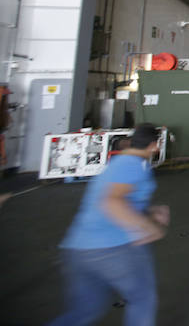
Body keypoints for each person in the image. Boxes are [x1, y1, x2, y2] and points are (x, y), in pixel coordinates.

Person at [50, 124, 168, 326]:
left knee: (86, 310)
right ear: (154, 146)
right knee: (142, 299)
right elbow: (112, 202)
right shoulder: (134, 165)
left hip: (78, 248)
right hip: (114, 247)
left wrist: (149, 212)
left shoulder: (119, 163)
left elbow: (118, 198)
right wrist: (151, 227)